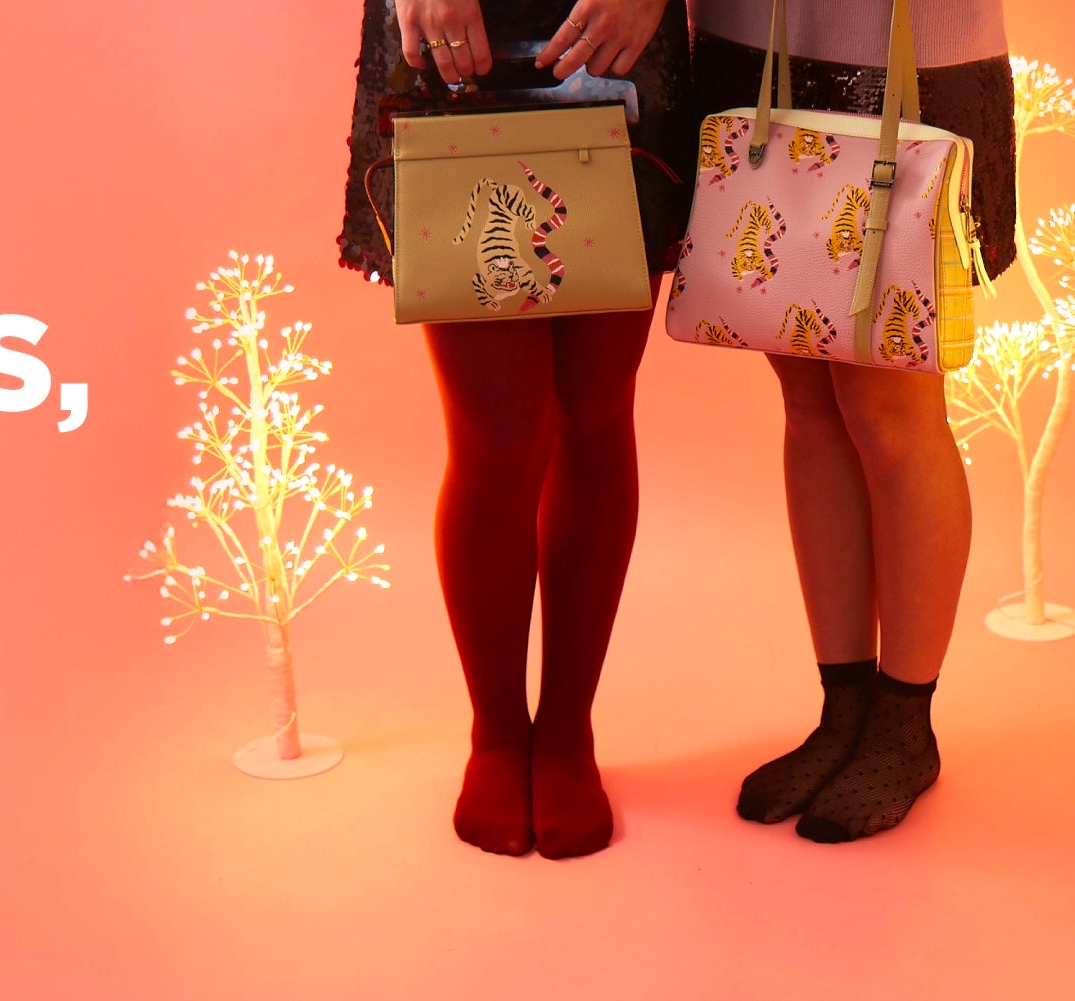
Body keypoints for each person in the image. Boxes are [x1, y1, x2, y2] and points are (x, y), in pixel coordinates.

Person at [337, 0, 697, 859]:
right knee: (495, 438)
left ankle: (568, 730)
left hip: (618, 34)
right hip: (449, 30)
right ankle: (496, 733)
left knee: (596, 413)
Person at [685, 0, 1017, 843]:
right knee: (807, 399)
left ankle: (904, 723)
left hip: (910, 52)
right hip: (745, 45)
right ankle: (843, 709)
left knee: (890, 406)